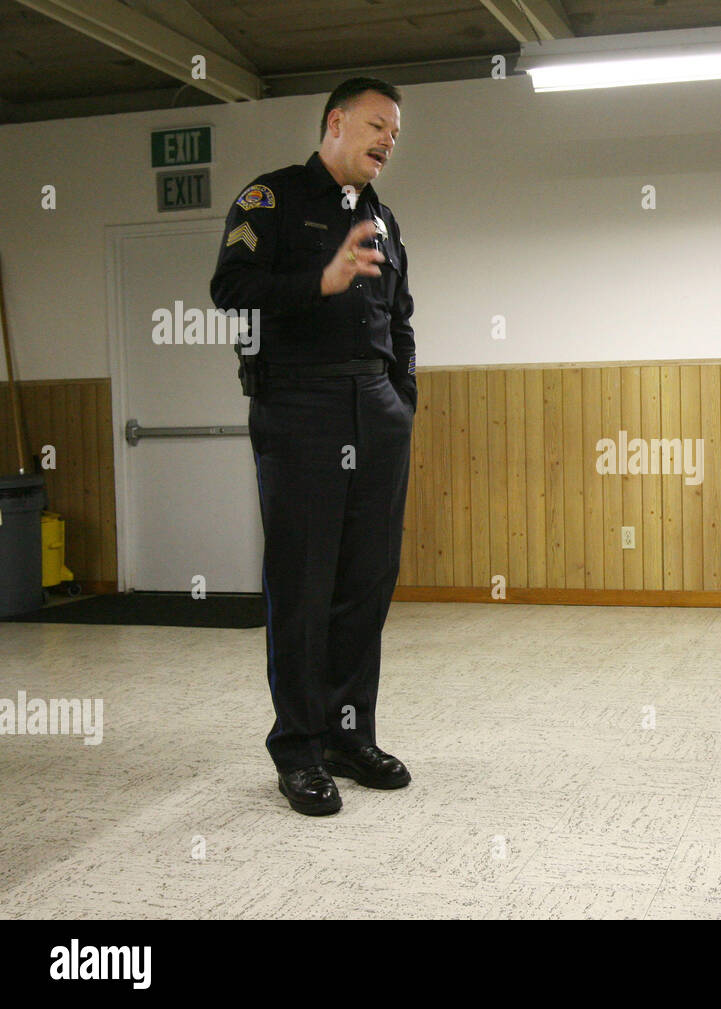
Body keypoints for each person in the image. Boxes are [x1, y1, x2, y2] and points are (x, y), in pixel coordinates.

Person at [210, 78, 417, 816]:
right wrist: (319, 280)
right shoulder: (271, 200)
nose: (388, 140)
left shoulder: (382, 219)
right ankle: (297, 748)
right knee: (303, 585)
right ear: (335, 123)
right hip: (299, 409)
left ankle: (347, 734)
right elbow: (230, 288)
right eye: (376, 125)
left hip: (375, 412)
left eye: (395, 131)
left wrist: (401, 404)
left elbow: (400, 320)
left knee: (366, 583)